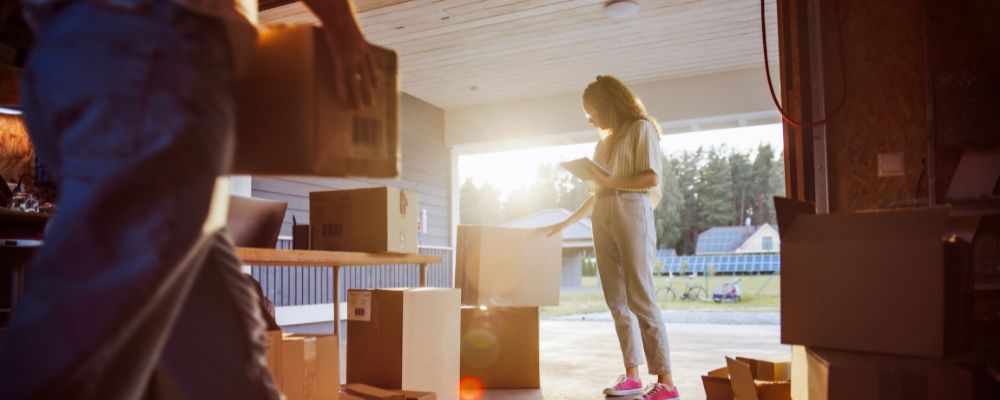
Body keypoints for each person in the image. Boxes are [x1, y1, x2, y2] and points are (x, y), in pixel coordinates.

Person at [0, 0, 376, 398]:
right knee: (85, 338)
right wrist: (341, 23)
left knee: (219, 338)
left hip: (90, 53)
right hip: (155, 52)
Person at [543, 75, 679, 400]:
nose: (590, 118)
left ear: (609, 104)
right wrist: (564, 225)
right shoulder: (603, 143)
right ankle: (632, 375)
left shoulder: (641, 129)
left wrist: (612, 180)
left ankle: (667, 382)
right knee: (616, 301)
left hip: (632, 210)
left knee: (640, 297)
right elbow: (596, 193)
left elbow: (649, 176)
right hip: (603, 212)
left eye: (592, 110)